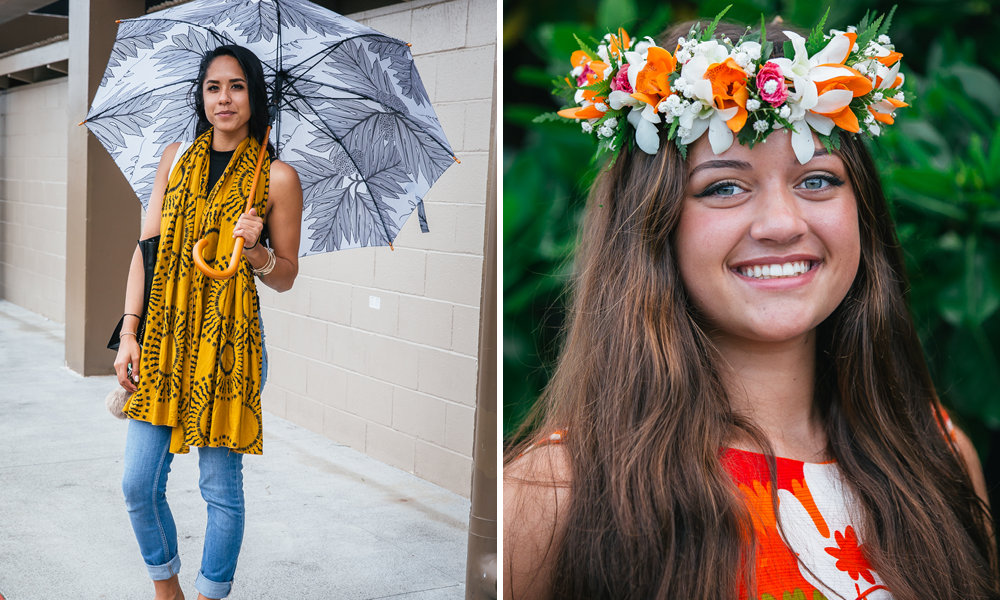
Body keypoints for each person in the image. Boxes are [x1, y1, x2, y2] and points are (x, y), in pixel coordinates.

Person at [504, 15, 998, 600]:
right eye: (724, 187)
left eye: (816, 180)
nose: (783, 225)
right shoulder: (556, 494)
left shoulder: (937, 451)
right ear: (653, 225)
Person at [113, 45, 303, 600]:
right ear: (201, 95)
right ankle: (167, 589)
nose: (224, 98)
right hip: (165, 340)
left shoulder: (276, 177)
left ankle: (209, 596)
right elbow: (146, 251)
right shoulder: (174, 160)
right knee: (137, 485)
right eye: (214, 86)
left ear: (254, 96)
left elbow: (287, 275)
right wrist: (129, 334)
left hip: (230, 347)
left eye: (237, 86)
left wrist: (255, 251)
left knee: (220, 489)